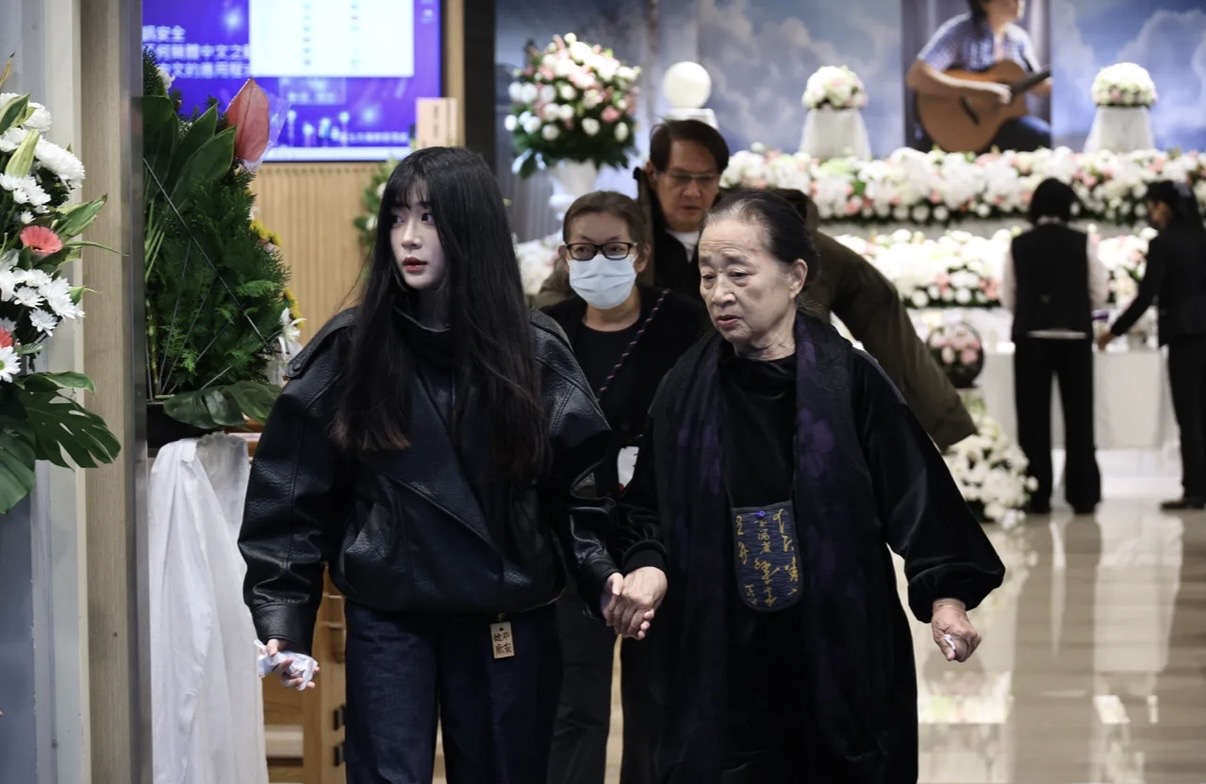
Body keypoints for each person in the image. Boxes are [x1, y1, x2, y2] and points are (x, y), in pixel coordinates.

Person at [238, 147, 649, 784]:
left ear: (472, 225)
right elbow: (290, 494)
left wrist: (604, 575)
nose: (408, 237)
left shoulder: (535, 353)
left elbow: (581, 493)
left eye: (429, 217)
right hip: (388, 614)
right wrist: (282, 616)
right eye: (398, 217)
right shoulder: (350, 349)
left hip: (505, 615)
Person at [607, 190, 1006, 782]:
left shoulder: (849, 380)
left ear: (795, 276)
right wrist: (648, 564)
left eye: (739, 273)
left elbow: (918, 495)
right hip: (720, 659)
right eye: (708, 275)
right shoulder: (684, 387)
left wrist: (946, 599)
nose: (719, 292)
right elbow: (646, 508)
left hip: (837, 651)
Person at [535, 120, 977, 450]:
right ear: (653, 173)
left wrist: (939, 418)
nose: (693, 192)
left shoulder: (758, 231)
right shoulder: (619, 230)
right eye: (681, 178)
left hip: (750, 407)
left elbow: (872, 296)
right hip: (643, 411)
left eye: (706, 179)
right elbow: (554, 303)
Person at [542, 191, 709, 784]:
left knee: (658, 703)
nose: (598, 262)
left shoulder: (685, 323)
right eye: (583, 250)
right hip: (571, 540)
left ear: (639, 254)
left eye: (613, 249)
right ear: (564, 256)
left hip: (660, 535)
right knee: (572, 704)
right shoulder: (547, 333)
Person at [1099, 181, 1206, 511]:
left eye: (1152, 205)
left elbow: (1147, 295)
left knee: (1189, 417)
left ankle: (1195, 490)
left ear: (1163, 206)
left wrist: (1113, 332)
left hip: (1184, 336)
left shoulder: (1163, 243)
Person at [1002, 178, 1106, 515]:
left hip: (1031, 336)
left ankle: (1038, 492)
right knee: (1079, 417)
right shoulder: (1082, 242)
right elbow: (1098, 290)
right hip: (1075, 336)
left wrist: (1032, 313)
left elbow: (1008, 295)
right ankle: (1083, 493)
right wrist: (1075, 309)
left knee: (1032, 419)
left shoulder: (1019, 243)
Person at [907, 0, 1052, 152]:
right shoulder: (959, 32)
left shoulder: (1019, 39)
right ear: (984, 3)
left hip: (999, 123)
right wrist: (980, 90)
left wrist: (1047, 85)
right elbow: (917, 76)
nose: (1018, 2)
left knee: (1043, 136)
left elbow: (1038, 85)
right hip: (956, 126)